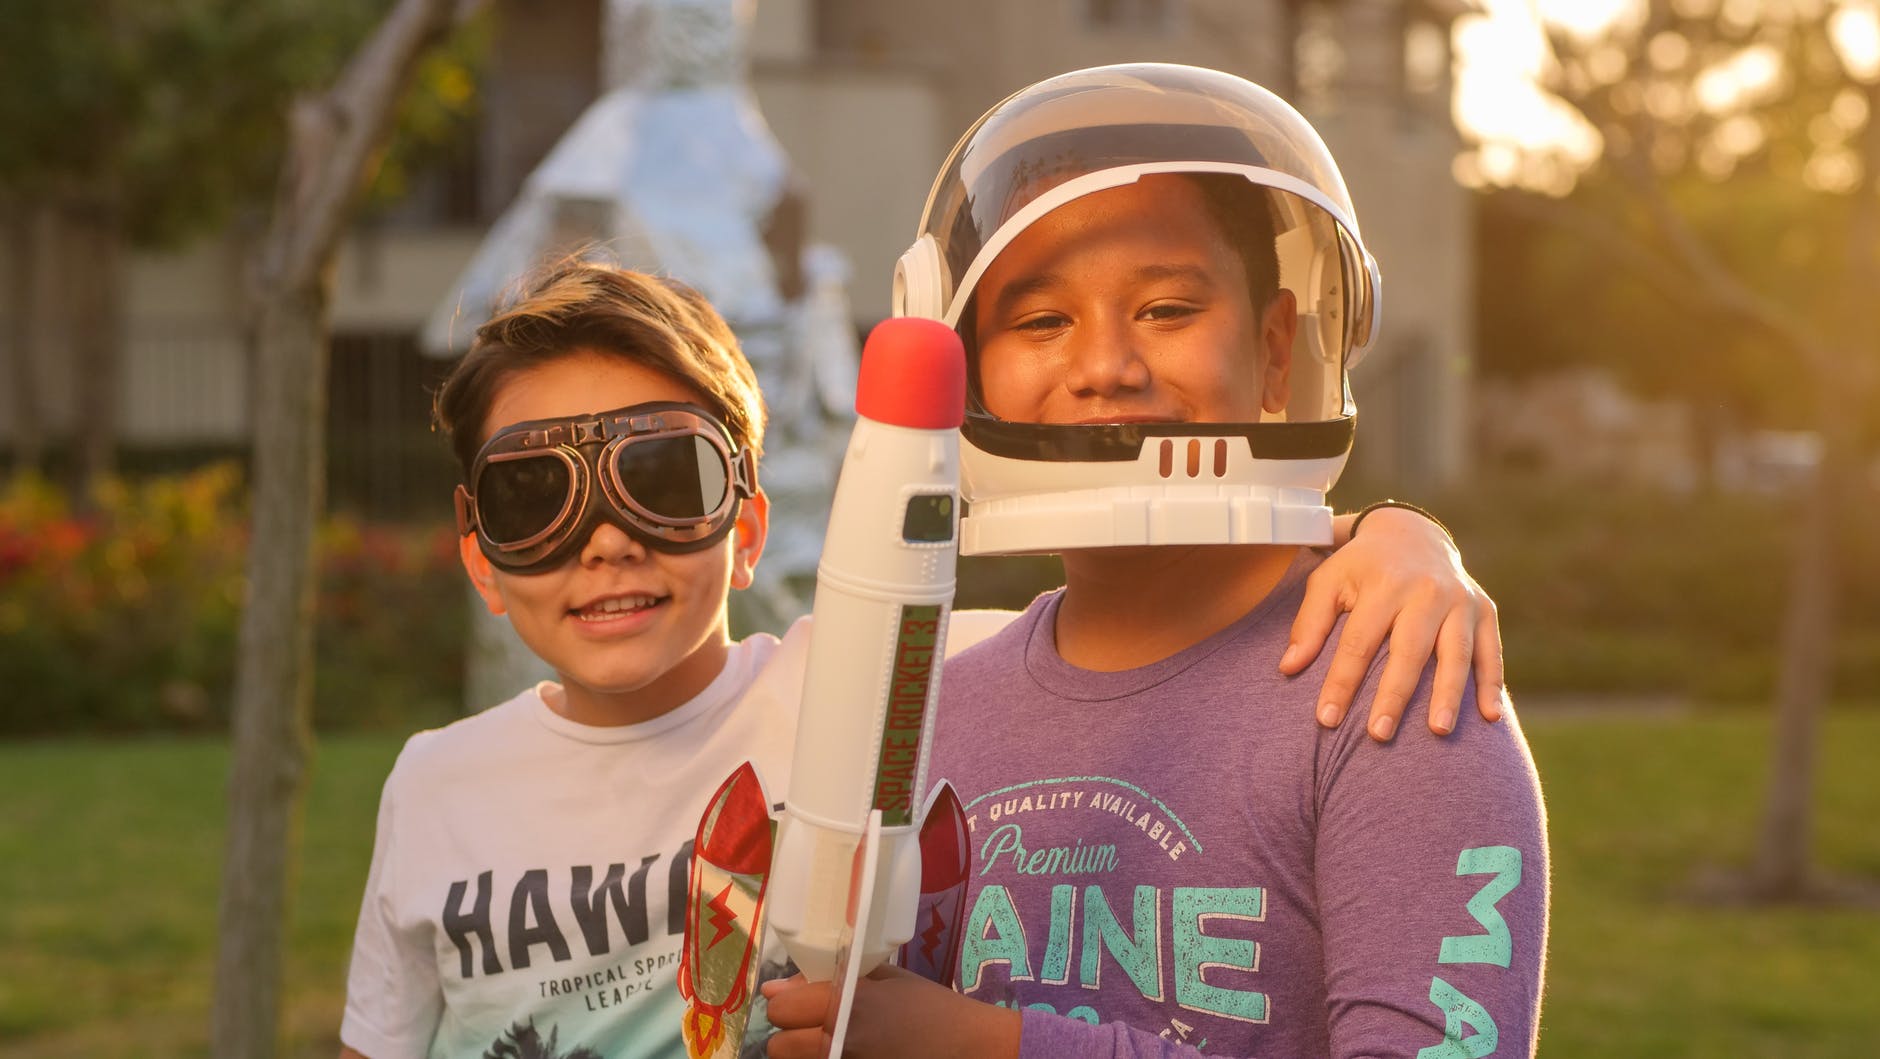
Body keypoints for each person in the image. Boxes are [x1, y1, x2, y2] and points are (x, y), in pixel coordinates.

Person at [336, 247, 1501, 1056]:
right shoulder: (433, 785)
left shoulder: (898, 681)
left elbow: (1150, 610)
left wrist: (1393, 539)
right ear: (479, 554)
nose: (600, 541)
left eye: (660, 480)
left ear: (747, 526)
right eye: (534, 496)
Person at [762, 64, 1548, 1057]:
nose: (1105, 368)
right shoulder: (934, 711)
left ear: (1273, 350)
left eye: (1166, 310)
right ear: (968, 369)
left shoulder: (1390, 682)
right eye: (1041, 322)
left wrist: (985, 1048)